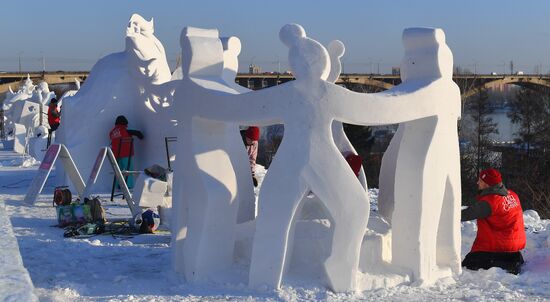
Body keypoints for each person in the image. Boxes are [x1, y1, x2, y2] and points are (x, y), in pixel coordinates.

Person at [461, 168, 526, 274]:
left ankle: (503, 264)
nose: (477, 182)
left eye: (480, 180)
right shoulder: (512, 195)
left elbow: (465, 215)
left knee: (467, 264)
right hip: (514, 248)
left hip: (498, 247)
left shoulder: (490, 202)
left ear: (487, 184)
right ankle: (512, 261)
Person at [109, 115, 144, 188]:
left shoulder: (112, 132)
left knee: (119, 170)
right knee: (128, 170)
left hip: (116, 154)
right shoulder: (125, 130)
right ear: (124, 123)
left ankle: (119, 186)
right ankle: (129, 186)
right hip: (126, 154)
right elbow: (137, 133)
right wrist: (141, 136)